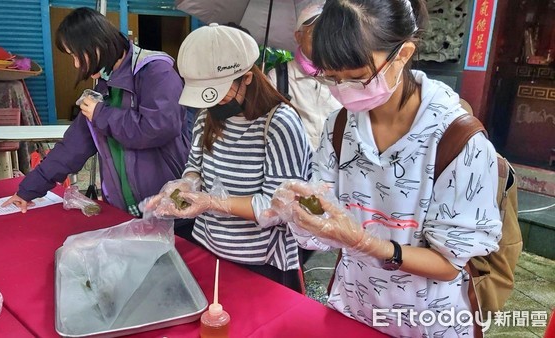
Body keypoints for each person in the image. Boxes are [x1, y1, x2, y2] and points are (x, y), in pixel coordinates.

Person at [268, 0, 502, 336]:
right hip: (352, 306)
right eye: (332, 78)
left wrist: (368, 243)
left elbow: (449, 263)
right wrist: (303, 209)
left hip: (426, 321)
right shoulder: (339, 126)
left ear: (403, 54)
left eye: (359, 77)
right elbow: (323, 216)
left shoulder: (457, 140)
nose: (343, 91)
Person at [146, 23, 312, 293]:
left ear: (247, 77)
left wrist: (211, 202)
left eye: (219, 92)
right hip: (208, 247)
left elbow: (280, 208)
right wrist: (186, 185)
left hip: (261, 262)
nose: (212, 103)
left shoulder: (279, 123)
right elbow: (195, 167)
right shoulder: (207, 116)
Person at [2, 7, 189, 216]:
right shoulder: (103, 87)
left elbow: (159, 127)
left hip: (169, 204)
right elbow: (73, 146)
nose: (76, 64)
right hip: (124, 209)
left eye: (76, 55)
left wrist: (102, 114)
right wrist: (28, 190)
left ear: (96, 44)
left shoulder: (155, 71)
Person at [267, 2, 341, 150]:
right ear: (298, 37)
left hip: (338, 167)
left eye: (328, 32)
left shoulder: (347, 76)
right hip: (294, 168)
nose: (323, 39)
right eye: (315, 32)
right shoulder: (279, 77)